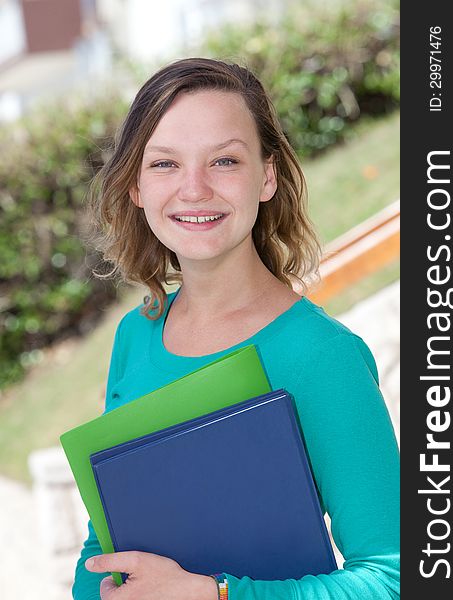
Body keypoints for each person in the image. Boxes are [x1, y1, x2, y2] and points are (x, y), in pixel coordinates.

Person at [73, 57, 400, 600]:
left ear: (266, 176)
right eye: (164, 165)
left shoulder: (321, 355)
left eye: (224, 161)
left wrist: (216, 594)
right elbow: (103, 545)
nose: (194, 189)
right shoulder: (136, 335)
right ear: (135, 186)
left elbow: (395, 576)